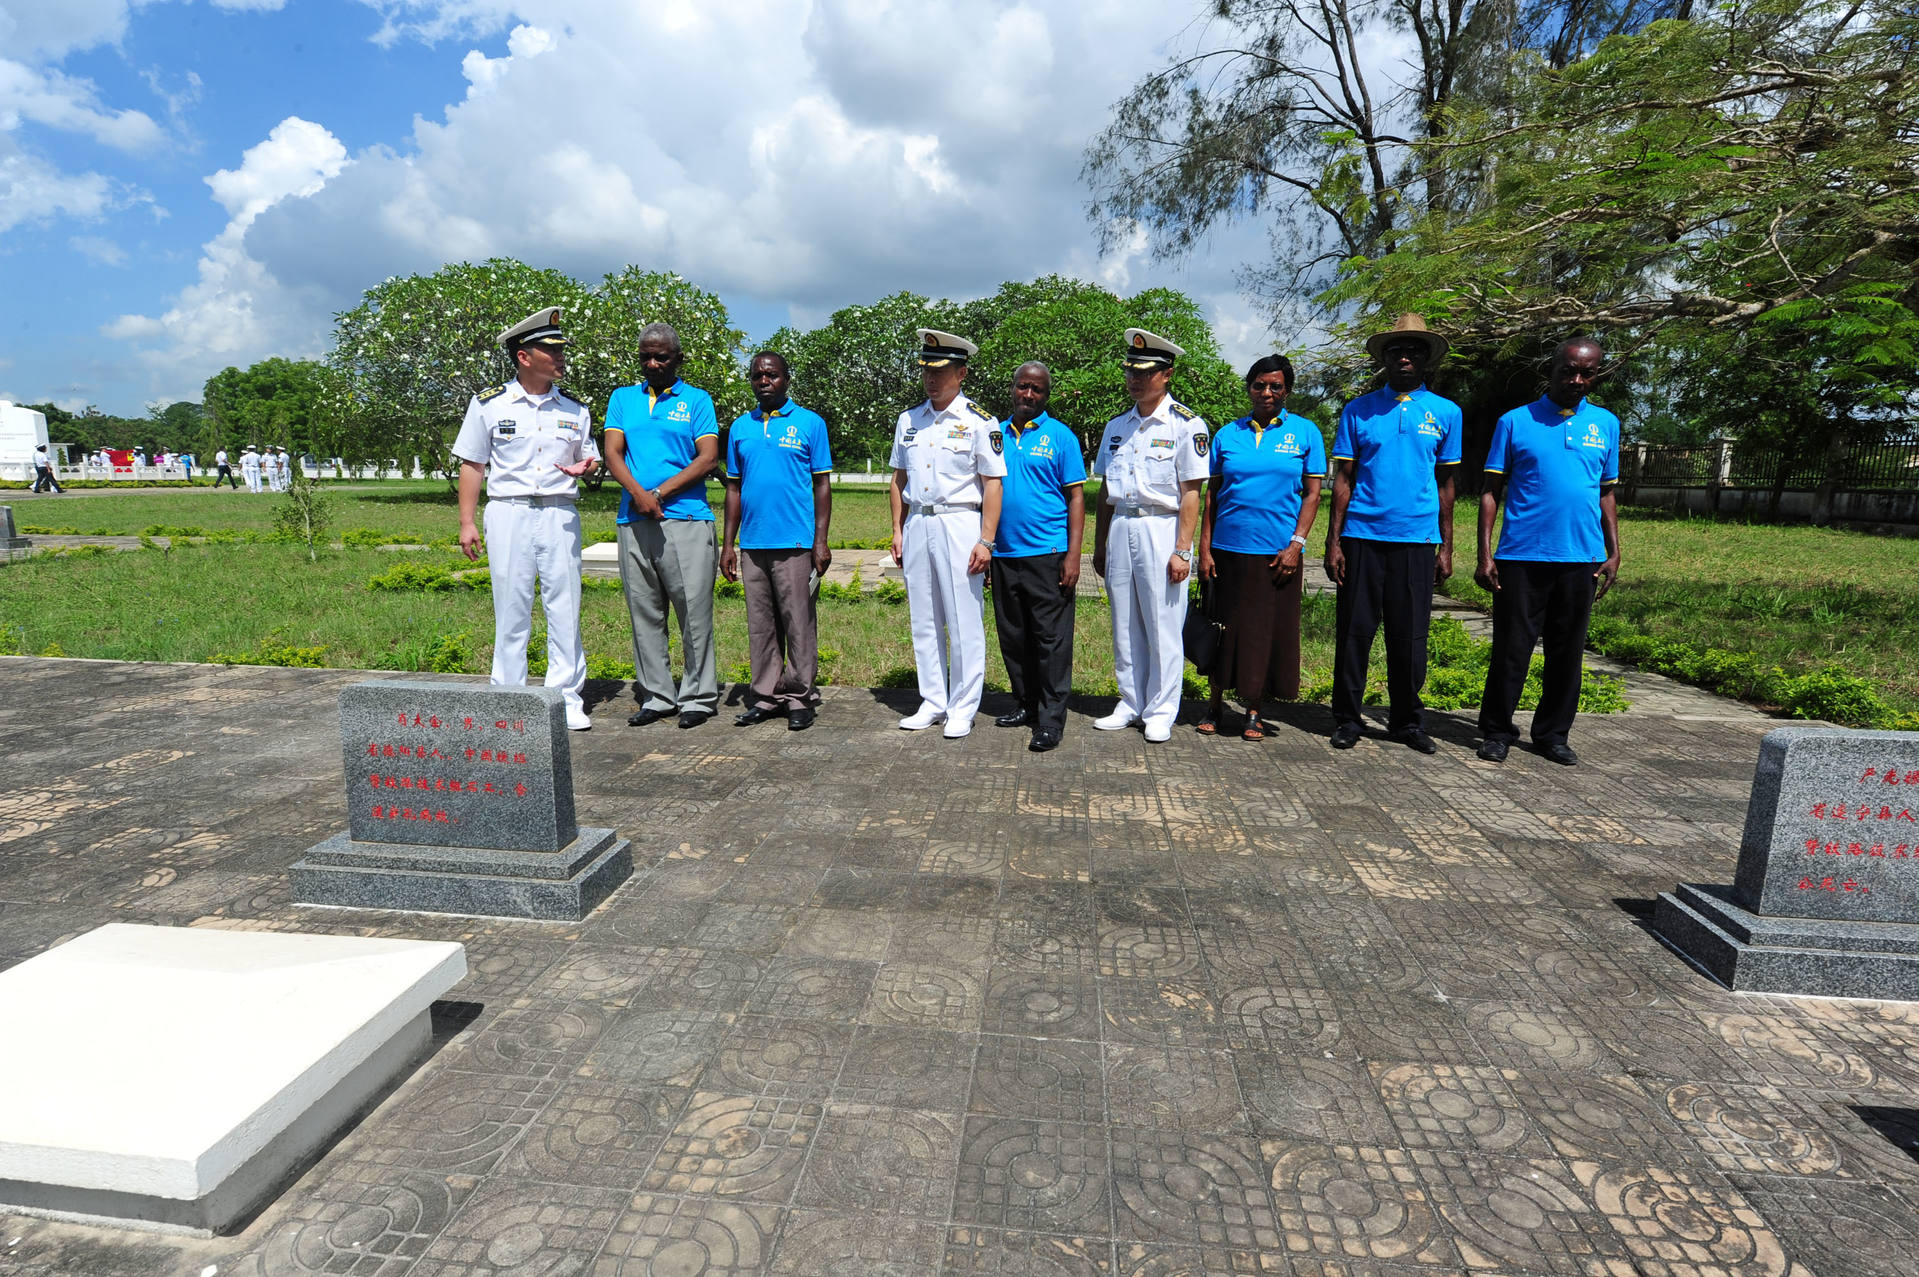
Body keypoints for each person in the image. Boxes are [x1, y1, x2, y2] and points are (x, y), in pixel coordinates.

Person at [452, 305, 600, 731]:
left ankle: (565, 698)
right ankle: (509, 698)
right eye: (551, 350)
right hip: (509, 512)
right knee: (512, 607)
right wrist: (467, 522)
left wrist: (587, 465)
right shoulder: (488, 404)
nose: (561, 356)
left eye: (561, 350)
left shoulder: (574, 409)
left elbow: (585, 454)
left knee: (565, 606)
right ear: (524, 355)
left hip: (559, 514)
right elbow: (473, 465)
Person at [1475, 337, 1622, 765]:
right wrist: (1486, 554)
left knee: (1567, 653)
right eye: (1569, 370)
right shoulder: (1515, 421)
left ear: (1596, 374)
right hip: (1522, 555)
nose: (1576, 379)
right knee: (1511, 650)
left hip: (1582, 559)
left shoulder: (1606, 424)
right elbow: (1490, 491)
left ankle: (1552, 734)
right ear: (1552, 368)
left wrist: (1613, 552)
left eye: (1587, 372)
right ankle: (1497, 731)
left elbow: (1606, 493)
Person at [1325, 313, 1462, 754]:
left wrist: (1445, 546)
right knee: (1354, 634)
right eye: (1397, 350)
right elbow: (1343, 479)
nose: (1405, 357)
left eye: (1414, 350)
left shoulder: (1446, 413)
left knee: (1409, 636)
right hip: (1362, 536)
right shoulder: (1359, 410)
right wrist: (1334, 541)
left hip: (1417, 541)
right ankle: (1347, 718)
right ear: (1384, 358)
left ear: (1426, 359)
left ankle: (1407, 722)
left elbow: (1446, 485)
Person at [1091, 329, 1210, 743]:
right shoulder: (1116, 427)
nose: (1135, 379)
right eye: (1131, 371)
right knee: (1123, 621)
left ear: (1167, 374)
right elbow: (1106, 491)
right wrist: (1099, 542)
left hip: (1163, 526)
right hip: (1122, 524)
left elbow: (1191, 493)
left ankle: (1161, 708)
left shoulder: (1186, 425)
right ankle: (1130, 700)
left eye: (1146, 372)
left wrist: (1183, 549)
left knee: (1163, 622)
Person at [1197, 354, 1325, 740]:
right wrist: (1204, 551)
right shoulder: (1227, 434)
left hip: (1277, 555)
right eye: (1259, 385)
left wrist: (1296, 545)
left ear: (1287, 390)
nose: (1266, 392)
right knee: (1223, 628)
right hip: (1227, 551)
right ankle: (1215, 706)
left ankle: (1253, 710)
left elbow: (1313, 494)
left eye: (1275, 386)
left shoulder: (1305, 433)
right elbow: (1212, 497)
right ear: (1249, 387)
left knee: (1264, 632)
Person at [603, 322, 721, 729]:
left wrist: (659, 493)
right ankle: (657, 695)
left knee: (693, 612)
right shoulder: (622, 399)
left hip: (686, 518)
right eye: (646, 357)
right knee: (644, 612)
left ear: (678, 358)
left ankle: (698, 696)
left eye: (662, 356)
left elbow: (707, 458)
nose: (653, 363)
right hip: (633, 519)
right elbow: (613, 452)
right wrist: (639, 495)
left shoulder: (697, 400)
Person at [888, 329, 1006, 738]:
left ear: (962, 373)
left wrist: (986, 541)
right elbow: (898, 478)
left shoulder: (979, 421)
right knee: (923, 616)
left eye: (940, 371)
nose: (931, 378)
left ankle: (962, 705)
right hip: (918, 520)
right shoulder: (909, 420)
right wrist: (897, 529)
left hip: (959, 522)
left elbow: (993, 483)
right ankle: (933, 699)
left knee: (962, 618)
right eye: (926, 370)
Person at [720, 351, 833, 732]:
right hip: (753, 543)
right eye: (757, 376)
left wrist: (821, 541)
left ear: (786, 378)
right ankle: (767, 696)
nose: (764, 381)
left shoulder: (810, 423)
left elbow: (822, 485)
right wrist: (728, 545)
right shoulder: (740, 427)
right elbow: (733, 489)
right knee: (761, 625)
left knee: (798, 622)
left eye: (771, 375)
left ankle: (800, 696)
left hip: (796, 542)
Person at [990, 361, 1086, 753]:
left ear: (1047, 396)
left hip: (1048, 553)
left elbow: (1076, 497)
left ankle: (1050, 719)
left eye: (1037, 390)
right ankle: (1025, 703)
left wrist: (1073, 557)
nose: (1028, 395)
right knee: (1014, 637)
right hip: (1003, 553)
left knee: (1051, 641)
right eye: (1023, 387)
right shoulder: (992, 433)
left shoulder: (1060, 437)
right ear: (1012, 388)